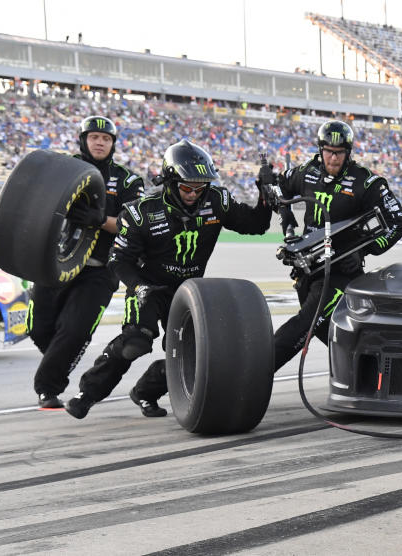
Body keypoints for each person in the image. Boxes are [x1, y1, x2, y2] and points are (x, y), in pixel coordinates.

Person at [65, 139, 272, 419]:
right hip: (149, 287)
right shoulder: (141, 213)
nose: (194, 194)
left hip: (190, 291)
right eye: (187, 187)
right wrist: (138, 287)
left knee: (198, 354)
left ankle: (146, 392)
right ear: (170, 181)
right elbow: (118, 261)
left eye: (201, 187)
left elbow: (257, 225)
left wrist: (265, 194)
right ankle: (87, 394)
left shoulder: (217, 200)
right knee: (135, 343)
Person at [259, 120, 402, 373]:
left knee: (304, 325)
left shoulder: (366, 181)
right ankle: (375, 375)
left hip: (340, 273)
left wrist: (364, 250)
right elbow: (276, 188)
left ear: (348, 152)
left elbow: (398, 222)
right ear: (320, 149)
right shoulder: (307, 171)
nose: (333, 158)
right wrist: (281, 209)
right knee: (334, 335)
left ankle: (250, 375)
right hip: (307, 271)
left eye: (339, 153)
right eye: (328, 151)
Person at [31, 116, 144, 409]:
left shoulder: (129, 180)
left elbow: (134, 224)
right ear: (83, 140)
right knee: (38, 326)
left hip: (100, 269)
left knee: (74, 330)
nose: (100, 142)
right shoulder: (62, 169)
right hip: (55, 262)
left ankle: (48, 387)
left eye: (106, 139)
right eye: (94, 137)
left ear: (113, 144)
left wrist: (101, 220)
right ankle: (62, 358)